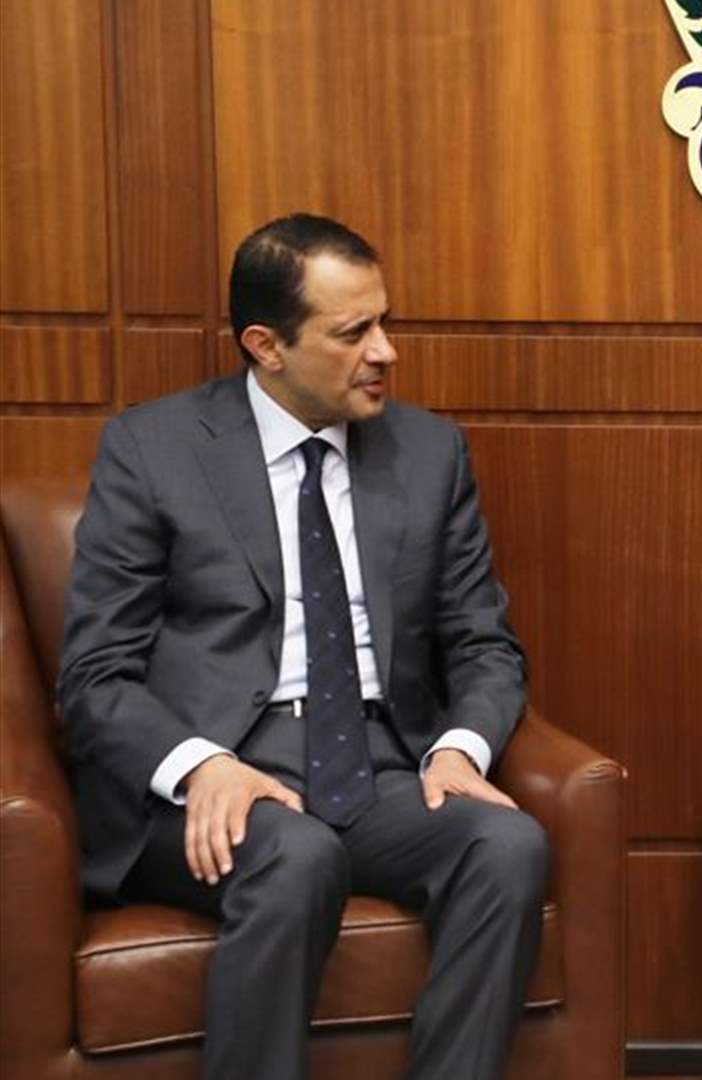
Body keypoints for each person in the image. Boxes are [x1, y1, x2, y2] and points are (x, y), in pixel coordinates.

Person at [58, 213, 548, 1080]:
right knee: (296, 855)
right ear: (266, 346)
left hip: (378, 766)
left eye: (385, 322)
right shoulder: (154, 450)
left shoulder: (429, 453)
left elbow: (484, 643)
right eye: (353, 332)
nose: (385, 351)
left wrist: (459, 748)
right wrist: (203, 767)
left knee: (508, 847)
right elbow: (95, 676)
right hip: (218, 771)